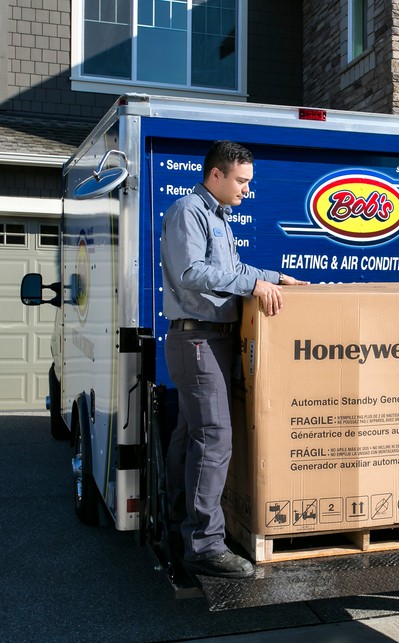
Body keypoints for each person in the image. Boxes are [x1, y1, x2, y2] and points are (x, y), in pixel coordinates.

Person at [160, 140, 307, 578]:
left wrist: (274, 277)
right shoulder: (189, 211)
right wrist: (253, 287)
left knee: (192, 435)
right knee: (215, 436)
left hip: (213, 340)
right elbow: (190, 272)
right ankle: (204, 546)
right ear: (216, 174)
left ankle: (178, 525)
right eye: (241, 180)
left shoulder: (219, 219)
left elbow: (235, 270)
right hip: (197, 340)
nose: (247, 189)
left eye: (249, 181)